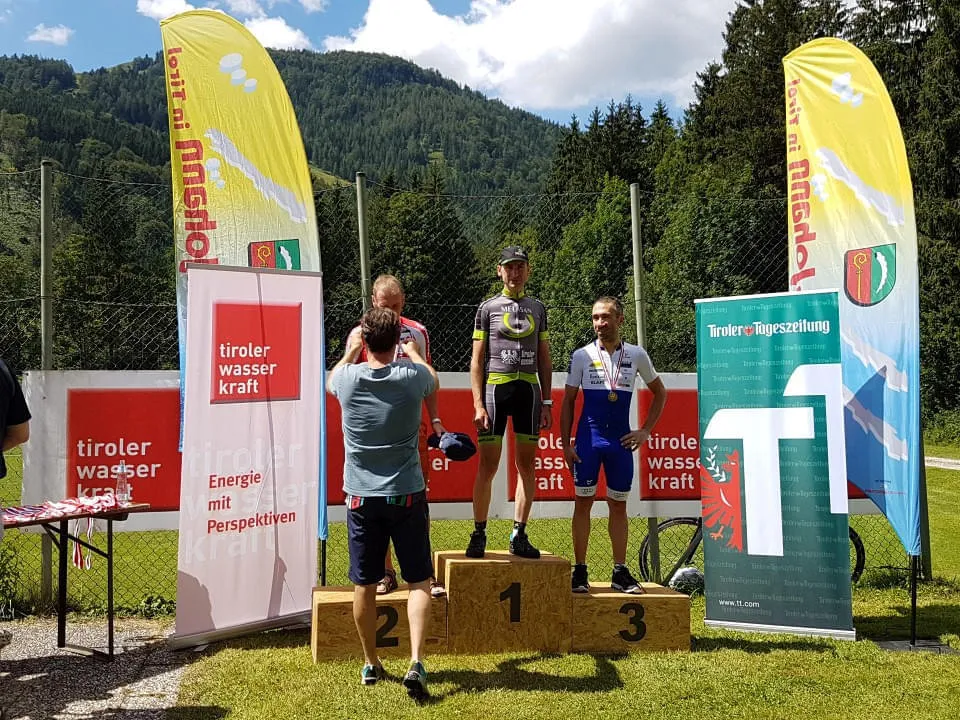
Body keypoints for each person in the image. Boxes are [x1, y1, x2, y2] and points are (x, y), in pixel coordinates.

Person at [328, 307, 438, 701]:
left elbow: (332, 377)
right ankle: (416, 661)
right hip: (406, 493)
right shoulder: (412, 377)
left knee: (364, 584)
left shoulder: (347, 379)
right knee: (419, 581)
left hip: (361, 498)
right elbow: (431, 378)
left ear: (364, 341)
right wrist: (415, 353)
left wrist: (349, 351)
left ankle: (371, 663)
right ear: (396, 341)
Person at [346, 274, 447, 597]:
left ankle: (423, 574)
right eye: (384, 306)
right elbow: (348, 380)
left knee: (417, 498)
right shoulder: (361, 334)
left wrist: (435, 419)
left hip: (411, 428)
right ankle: (384, 572)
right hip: (373, 431)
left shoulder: (417, 332)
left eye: (396, 306)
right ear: (373, 302)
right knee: (373, 503)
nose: (391, 312)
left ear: (403, 302)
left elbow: (428, 379)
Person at [560, 297, 667, 594]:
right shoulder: (581, 355)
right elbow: (568, 401)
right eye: (595, 317)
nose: (600, 323)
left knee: (618, 505)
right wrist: (566, 444)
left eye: (605, 317)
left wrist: (645, 430)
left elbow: (660, 392)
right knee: (583, 503)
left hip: (620, 443)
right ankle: (580, 571)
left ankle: (620, 571)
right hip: (588, 441)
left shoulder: (636, 354)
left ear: (620, 319)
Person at [467, 246, 552, 559]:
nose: (514, 273)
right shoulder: (487, 308)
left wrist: (547, 401)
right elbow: (477, 361)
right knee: (488, 465)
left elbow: (545, 358)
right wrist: (478, 404)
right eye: (509, 267)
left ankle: (519, 534)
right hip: (496, 390)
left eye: (520, 267)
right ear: (499, 271)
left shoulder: (537, 308)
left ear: (528, 270)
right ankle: (479, 533)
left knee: (526, 465)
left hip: (529, 391)